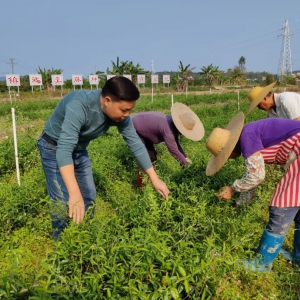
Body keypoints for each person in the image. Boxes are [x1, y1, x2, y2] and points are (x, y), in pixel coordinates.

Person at [37, 76, 169, 240]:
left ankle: (84, 236)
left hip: (79, 149)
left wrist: (154, 179)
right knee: (62, 201)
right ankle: (62, 247)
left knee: (88, 195)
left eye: (130, 110)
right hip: (53, 147)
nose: (127, 115)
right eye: (124, 110)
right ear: (108, 100)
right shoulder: (79, 106)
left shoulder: (119, 116)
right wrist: (74, 192)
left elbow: (135, 143)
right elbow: (64, 150)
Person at [205, 112, 300, 272]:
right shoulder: (250, 132)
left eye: (225, 155)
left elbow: (256, 176)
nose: (228, 158)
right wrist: (240, 203)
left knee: (282, 206)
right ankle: (298, 256)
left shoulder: (247, 138)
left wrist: (232, 188)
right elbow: (254, 176)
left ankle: (262, 264)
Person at [132, 102, 204, 187]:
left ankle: (149, 183)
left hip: (143, 126)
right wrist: (186, 164)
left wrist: (185, 157)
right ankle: (142, 188)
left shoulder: (171, 124)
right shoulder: (169, 130)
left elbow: (176, 144)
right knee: (146, 160)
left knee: (152, 157)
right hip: (135, 128)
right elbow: (173, 150)